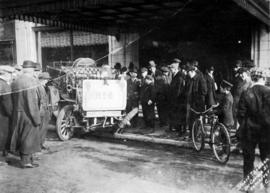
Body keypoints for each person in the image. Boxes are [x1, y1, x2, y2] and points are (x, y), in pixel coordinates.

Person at [237, 68, 270, 193]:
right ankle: (267, 186)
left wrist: (246, 124)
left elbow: (240, 114)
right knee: (266, 159)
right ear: (263, 78)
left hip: (249, 131)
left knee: (248, 159)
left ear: (252, 78)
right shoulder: (269, 92)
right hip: (267, 132)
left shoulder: (246, 92)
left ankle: (248, 186)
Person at [10, 60, 41, 168]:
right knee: (28, 137)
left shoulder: (16, 81)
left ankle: (28, 160)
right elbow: (31, 102)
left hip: (17, 113)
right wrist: (36, 119)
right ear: (32, 70)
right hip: (28, 114)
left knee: (21, 136)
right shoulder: (31, 82)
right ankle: (26, 162)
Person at [186, 65, 207, 137]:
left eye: (188, 73)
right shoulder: (190, 79)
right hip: (191, 103)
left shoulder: (200, 78)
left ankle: (195, 136)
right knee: (191, 119)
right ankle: (192, 135)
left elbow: (204, 91)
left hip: (198, 103)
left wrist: (197, 98)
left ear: (192, 72)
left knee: (196, 119)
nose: (188, 74)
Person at [168, 59, 186, 134]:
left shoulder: (180, 75)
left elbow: (179, 89)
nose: (170, 70)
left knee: (179, 115)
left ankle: (180, 130)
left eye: (171, 69)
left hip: (178, 99)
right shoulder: (175, 75)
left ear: (175, 68)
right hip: (175, 99)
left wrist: (175, 99)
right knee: (176, 115)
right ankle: (177, 128)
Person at [0, 66, 14, 158]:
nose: (11, 76)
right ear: (5, 74)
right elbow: (7, 104)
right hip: (3, 116)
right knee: (3, 135)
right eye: (10, 74)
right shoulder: (5, 86)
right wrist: (12, 114)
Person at [37, 72, 52, 151]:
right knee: (40, 129)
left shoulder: (43, 87)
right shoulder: (39, 87)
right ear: (41, 79)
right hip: (41, 111)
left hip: (45, 110)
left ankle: (41, 143)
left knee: (44, 129)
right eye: (46, 79)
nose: (47, 81)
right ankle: (38, 146)